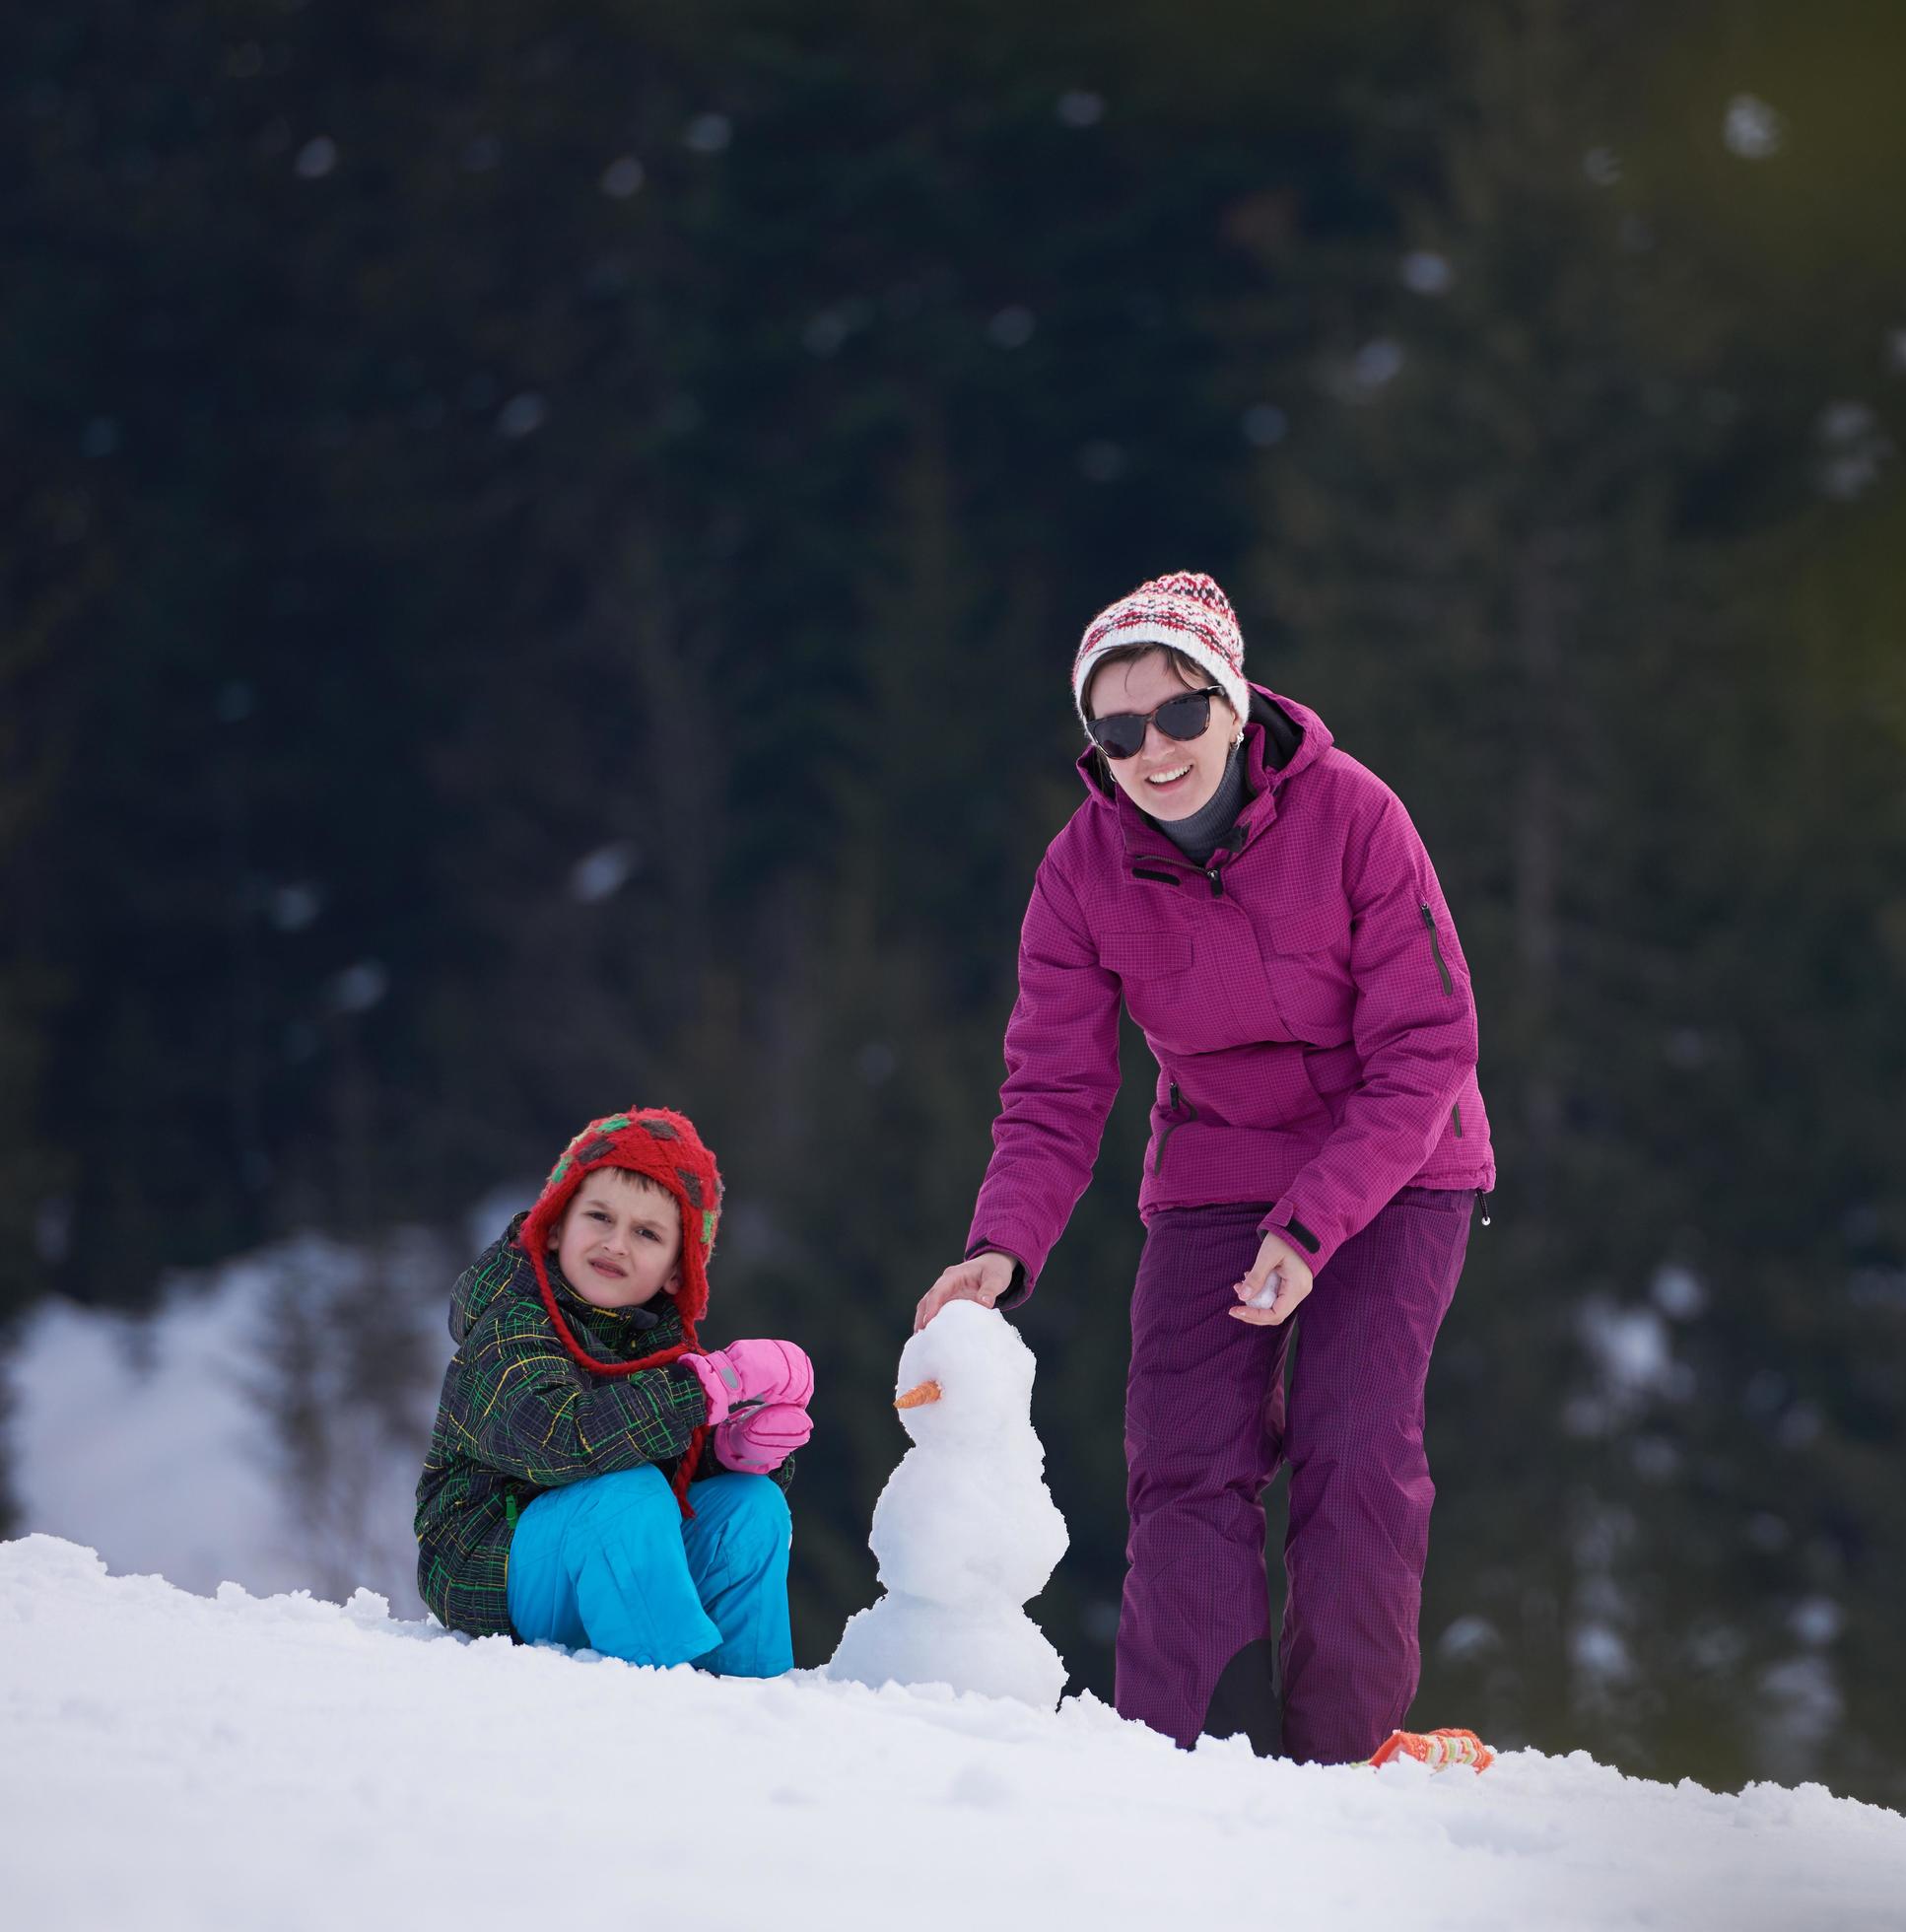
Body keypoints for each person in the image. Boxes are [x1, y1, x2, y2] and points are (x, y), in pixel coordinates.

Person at [914, 570, 1495, 1763]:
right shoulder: (1082, 874)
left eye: (1179, 713)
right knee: (1183, 1453)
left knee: (1354, 1445)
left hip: (1396, 1160)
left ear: (1235, 704)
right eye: (1117, 730)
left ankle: (1344, 1757)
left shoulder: (1354, 815)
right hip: (1217, 1165)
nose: (1154, 749)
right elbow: (1055, 1089)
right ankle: (1186, 1756)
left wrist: (1313, 1226)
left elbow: (1429, 1042)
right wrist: (1000, 1245)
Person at [414, 1107, 814, 1676]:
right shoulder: (510, 1322)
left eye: (647, 1233)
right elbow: (559, 1439)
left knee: (752, 1509)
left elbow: (667, 1460)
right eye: (599, 1217)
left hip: (609, 1554)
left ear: (678, 1271)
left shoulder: (662, 1346)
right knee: (626, 1493)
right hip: (490, 1559)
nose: (615, 1244)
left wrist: (731, 1454)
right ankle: (673, 1706)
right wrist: (701, 1390)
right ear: (555, 1226)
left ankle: (753, 1696)